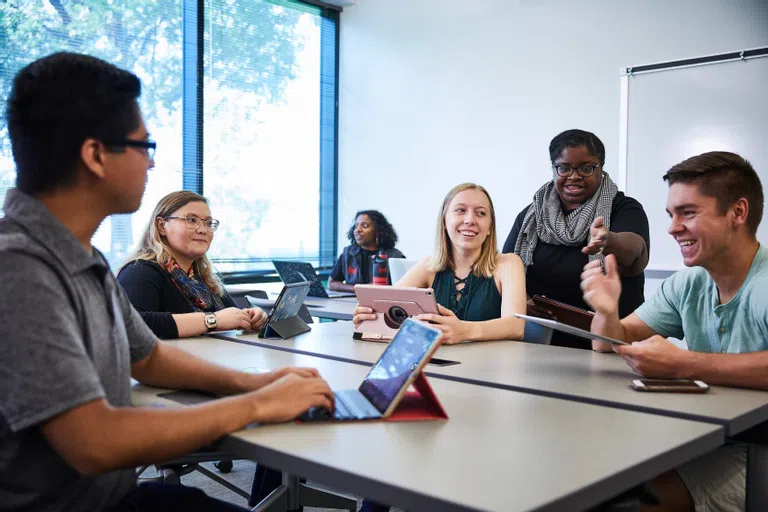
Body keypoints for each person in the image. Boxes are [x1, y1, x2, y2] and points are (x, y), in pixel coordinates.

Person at [0, 52, 333, 512]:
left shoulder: (82, 255)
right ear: (96, 155)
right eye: (143, 146)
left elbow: (150, 357)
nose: (150, 164)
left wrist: (251, 384)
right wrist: (257, 406)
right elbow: (94, 442)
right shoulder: (18, 270)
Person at [581, 151, 767, 511]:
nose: (672, 227)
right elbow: (611, 343)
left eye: (688, 213)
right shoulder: (689, 283)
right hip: (709, 437)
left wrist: (683, 364)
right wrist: (606, 312)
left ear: (738, 213)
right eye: (671, 215)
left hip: (757, 450)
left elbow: (684, 364)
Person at [503, 129, 650, 349]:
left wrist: (608, 240)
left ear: (600, 167)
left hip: (611, 344)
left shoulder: (623, 208)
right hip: (543, 344)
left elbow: (635, 251)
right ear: (554, 168)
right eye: (564, 168)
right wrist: (522, 300)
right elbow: (506, 266)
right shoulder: (532, 215)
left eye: (586, 168)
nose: (574, 176)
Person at [354, 183, 527, 345]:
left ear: (490, 226)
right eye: (460, 210)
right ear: (444, 221)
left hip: (491, 371)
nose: (470, 220)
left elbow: (516, 326)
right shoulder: (428, 265)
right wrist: (369, 315)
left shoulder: (508, 264)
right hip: (439, 367)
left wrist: (464, 331)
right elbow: (385, 305)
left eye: (481, 213)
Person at [117, 190, 267, 339]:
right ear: (162, 226)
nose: (203, 230)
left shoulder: (203, 279)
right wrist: (213, 320)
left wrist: (250, 318)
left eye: (208, 223)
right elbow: (133, 324)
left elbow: (230, 316)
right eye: (191, 220)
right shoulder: (139, 271)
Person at [327, 209, 405, 292]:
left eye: (365, 226)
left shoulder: (395, 256)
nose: (358, 230)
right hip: (352, 302)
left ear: (378, 230)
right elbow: (331, 283)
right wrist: (358, 289)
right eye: (356, 226)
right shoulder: (348, 254)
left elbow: (403, 288)